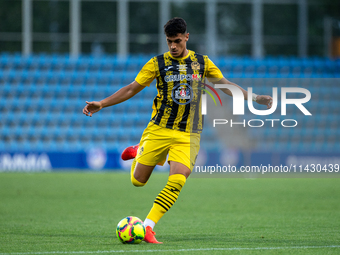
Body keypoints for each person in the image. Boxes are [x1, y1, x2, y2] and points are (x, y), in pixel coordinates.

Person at [83, 17, 273, 244]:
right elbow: (132, 88)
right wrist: (102, 104)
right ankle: (138, 150)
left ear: (186, 37)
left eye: (177, 41)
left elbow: (225, 85)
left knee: (179, 177)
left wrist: (256, 98)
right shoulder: (157, 63)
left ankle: (148, 226)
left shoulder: (202, 63)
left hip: (188, 133)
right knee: (138, 180)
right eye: (169, 41)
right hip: (159, 129)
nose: (173, 46)